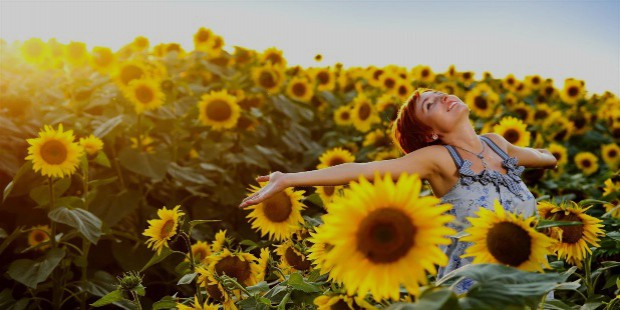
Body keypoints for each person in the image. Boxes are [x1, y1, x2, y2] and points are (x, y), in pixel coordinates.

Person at [238, 88, 558, 294]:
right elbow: (363, 171)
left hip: (529, 287)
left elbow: (544, 157)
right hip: (472, 296)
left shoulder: (498, 145)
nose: (443, 97)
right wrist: (290, 178)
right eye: (430, 104)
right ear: (430, 133)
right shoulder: (438, 159)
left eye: (439, 93)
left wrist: (546, 156)